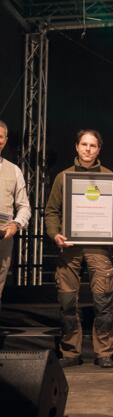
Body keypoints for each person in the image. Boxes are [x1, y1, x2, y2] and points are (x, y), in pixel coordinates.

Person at [45, 129, 113, 369]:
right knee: (68, 301)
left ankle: (104, 352)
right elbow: (52, 212)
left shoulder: (109, 176)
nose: (88, 149)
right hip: (69, 248)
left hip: (99, 248)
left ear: (99, 149)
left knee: (103, 301)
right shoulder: (64, 177)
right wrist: (55, 234)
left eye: (93, 145)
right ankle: (71, 352)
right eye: (84, 144)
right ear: (77, 147)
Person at [0, 120, 31, 307]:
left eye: (0, 137)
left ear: (5, 140)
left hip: (3, 239)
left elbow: (24, 206)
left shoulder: (14, 170)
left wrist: (16, 224)